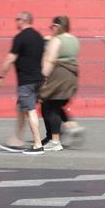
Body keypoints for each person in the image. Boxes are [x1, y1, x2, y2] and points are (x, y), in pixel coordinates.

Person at [0, 11, 45, 155]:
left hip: (26, 81)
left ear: (23, 21)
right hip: (37, 79)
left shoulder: (20, 37)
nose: (16, 22)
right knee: (21, 108)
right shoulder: (38, 37)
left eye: (17, 19)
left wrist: (0, 76)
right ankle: (17, 139)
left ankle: (37, 145)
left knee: (30, 110)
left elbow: (10, 59)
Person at [39, 16, 84, 151]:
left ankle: (55, 141)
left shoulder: (57, 40)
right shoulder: (74, 40)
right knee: (56, 105)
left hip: (58, 76)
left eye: (52, 27)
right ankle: (71, 126)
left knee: (50, 106)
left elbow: (50, 60)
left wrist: (44, 77)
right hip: (72, 76)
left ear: (58, 26)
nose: (51, 30)